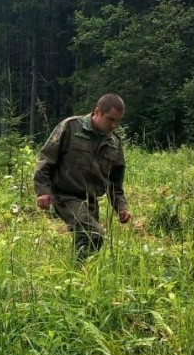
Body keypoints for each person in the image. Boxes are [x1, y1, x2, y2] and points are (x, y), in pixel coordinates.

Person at [34, 93, 132, 258]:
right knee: (94, 233)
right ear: (97, 112)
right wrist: (43, 189)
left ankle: (76, 276)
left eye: (118, 121)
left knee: (87, 241)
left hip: (90, 200)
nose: (114, 125)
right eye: (110, 119)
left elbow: (115, 182)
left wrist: (121, 207)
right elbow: (46, 158)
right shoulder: (70, 127)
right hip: (65, 195)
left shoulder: (114, 143)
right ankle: (77, 271)